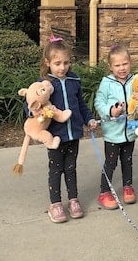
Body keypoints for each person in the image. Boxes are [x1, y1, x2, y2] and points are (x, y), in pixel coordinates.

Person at [30, 37, 98, 223]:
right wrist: (37, 113)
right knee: (55, 169)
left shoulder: (74, 80)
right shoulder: (43, 84)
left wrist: (89, 119)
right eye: (57, 63)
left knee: (71, 168)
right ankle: (56, 203)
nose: (62, 68)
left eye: (66, 63)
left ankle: (73, 200)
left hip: (73, 133)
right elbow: (31, 104)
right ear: (48, 63)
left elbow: (81, 104)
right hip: (54, 136)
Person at [94, 43, 138, 210]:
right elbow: (99, 102)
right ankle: (104, 191)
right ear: (110, 67)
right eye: (117, 65)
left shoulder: (136, 80)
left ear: (130, 63)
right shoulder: (107, 82)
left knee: (127, 160)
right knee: (110, 163)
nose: (122, 68)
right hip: (113, 132)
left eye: (125, 64)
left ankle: (128, 186)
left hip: (131, 130)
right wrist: (111, 110)